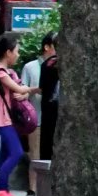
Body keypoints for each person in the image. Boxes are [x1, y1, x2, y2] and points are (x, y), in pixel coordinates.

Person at [0, 33, 30, 196]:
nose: (18, 55)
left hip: (9, 118)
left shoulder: (9, 72)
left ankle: (1, 190)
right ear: (8, 52)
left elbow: (22, 90)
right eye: (16, 51)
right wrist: (31, 89)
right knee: (16, 152)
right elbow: (20, 89)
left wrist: (25, 92)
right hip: (3, 118)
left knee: (5, 154)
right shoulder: (0, 72)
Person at [20, 46, 43, 196]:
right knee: (35, 154)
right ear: (47, 47)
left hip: (55, 118)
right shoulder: (30, 67)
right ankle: (32, 188)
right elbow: (22, 92)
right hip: (36, 118)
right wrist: (36, 90)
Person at [38, 32, 59, 161]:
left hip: (48, 109)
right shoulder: (52, 64)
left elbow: (42, 88)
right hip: (54, 110)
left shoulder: (46, 64)